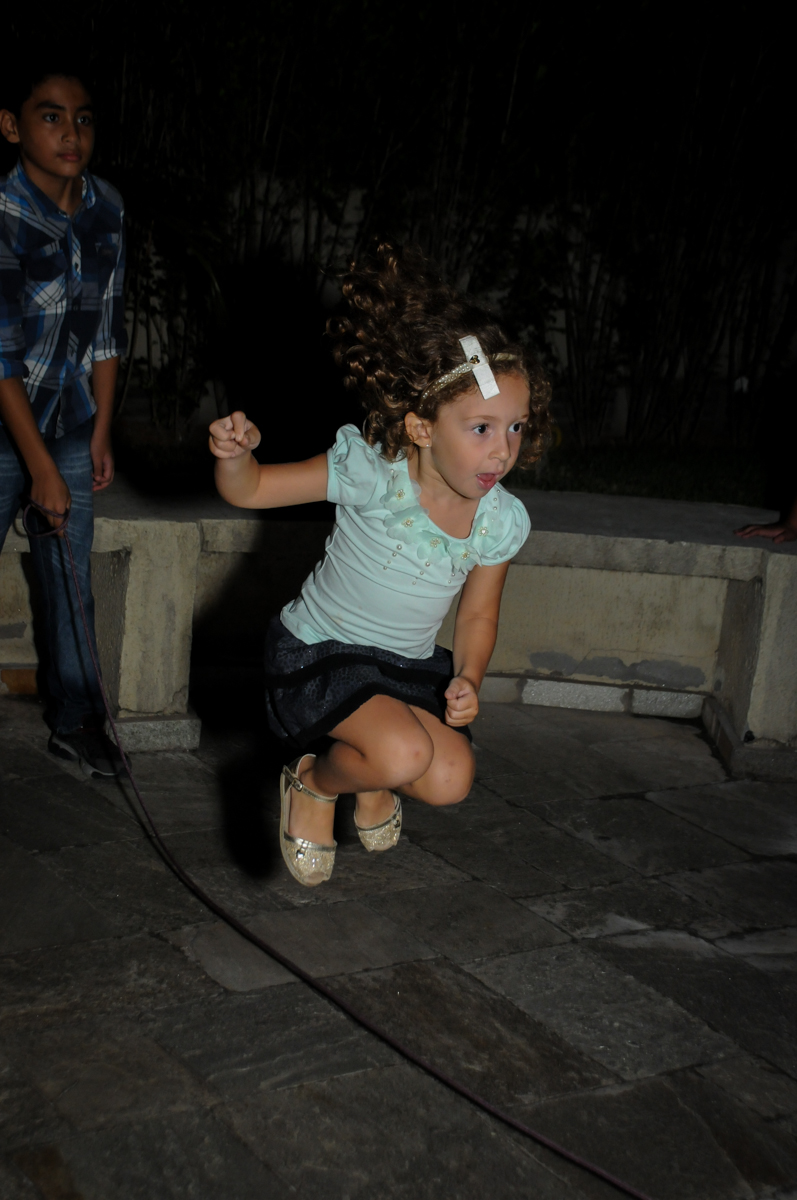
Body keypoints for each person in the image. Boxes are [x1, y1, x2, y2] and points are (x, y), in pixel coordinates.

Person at [209, 243, 550, 886]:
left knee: (449, 778)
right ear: (421, 428)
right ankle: (313, 782)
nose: (502, 451)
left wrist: (471, 675)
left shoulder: (499, 520)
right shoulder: (371, 473)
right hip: (323, 653)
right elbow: (249, 490)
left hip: (404, 668)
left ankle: (372, 777)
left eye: (516, 428)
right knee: (403, 752)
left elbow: (478, 612)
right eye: (481, 428)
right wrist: (235, 455)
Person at [0, 60, 126, 775]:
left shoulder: (106, 205)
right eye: (50, 116)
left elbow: (105, 329)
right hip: (4, 422)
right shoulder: (4, 216)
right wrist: (39, 469)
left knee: (70, 577)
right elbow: (0, 357)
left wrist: (98, 430)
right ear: (12, 126)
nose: (70, 132)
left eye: (82, 118)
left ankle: (78, 721)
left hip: (69, 421)